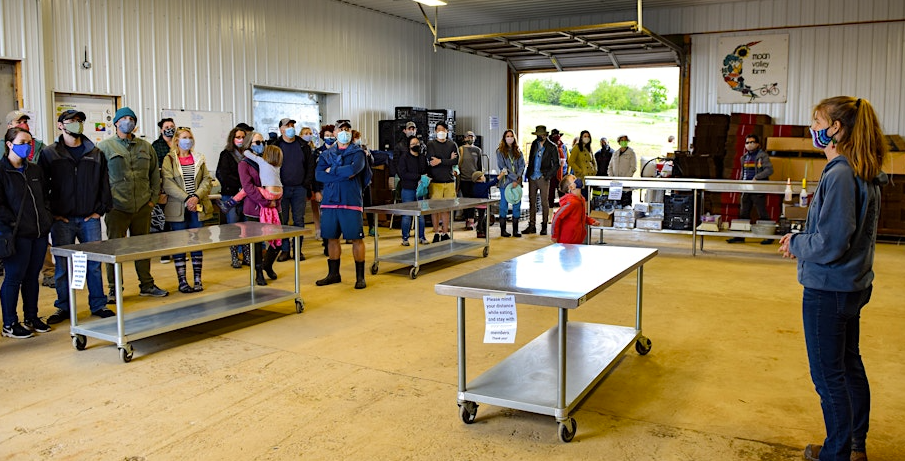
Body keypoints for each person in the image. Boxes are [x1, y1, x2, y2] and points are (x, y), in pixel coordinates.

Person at [779, 96, 886, 461]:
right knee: (848, 365)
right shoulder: (862, 169)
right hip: (851, 285)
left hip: (829, 289)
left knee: (829, 378)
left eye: (817, 121)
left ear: (835, 129)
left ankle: (837, 454)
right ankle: (855, 446)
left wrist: (796, 242)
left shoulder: (841, 173)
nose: (813, 129)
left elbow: (832, 241)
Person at [40, 110, 114, 324]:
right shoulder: (50, 153)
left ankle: (98, 304)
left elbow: (104, 185)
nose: (76, 124)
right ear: (61, 125)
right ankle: (64, 306)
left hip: (89, 219)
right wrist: (52, 213)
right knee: (63, 266)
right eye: (71, 121)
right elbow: (42, 186)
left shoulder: (95, 152)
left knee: (93, 263)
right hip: (61, 220)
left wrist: (99, 211)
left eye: (79, 121)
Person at [98, 107, 168, 301]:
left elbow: (155, 174)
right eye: (124, 118)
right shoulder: (105, 147)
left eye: (132, 119)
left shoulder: (146, 147)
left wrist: (152, 199)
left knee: (142, 248)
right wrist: (106, 203)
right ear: (116, 123)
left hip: (142, 207)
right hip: (116, 207)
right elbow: (98, 178)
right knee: (114, 249)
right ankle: (114, 288)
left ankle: (146, 284)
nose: (128, 121)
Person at [0, 127, 54, 338]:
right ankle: (10, 323)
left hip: (39, 233)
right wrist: (14, 224)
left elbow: (44, 197)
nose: (28, 146)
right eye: (22, 142)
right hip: (16, 235)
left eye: (29, 142)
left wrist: (46, 217)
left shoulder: (34, 170)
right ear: (10, 144)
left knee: (32, 277)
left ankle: (32, 316)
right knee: (14, 277)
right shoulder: (2, 172)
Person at [315, 119, 369, 289]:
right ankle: (333, 273)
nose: (344, 132)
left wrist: (333, 171)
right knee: (331, 237)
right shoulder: (326, 154)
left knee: (356, 239)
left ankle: (360, 277)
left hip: (350, 200)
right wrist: (342, 174)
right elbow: (319, 175)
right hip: (330, 201)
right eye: (341, 129)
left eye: (347, 129)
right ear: (335, 132)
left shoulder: (358, 153)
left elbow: (354, 170)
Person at [161, 127, 214, 293]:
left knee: (197, 243)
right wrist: (186, 198)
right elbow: (168, 183)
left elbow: (207, 180)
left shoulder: (199, 158)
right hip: (178, 208)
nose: (188, 140)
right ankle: (182, 281)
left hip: (197, 207)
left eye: (190, 137)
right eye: (184, 137)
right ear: (177, 140)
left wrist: (196, 197)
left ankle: (198, 278)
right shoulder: (169, 159)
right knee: (180, 244)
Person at [6, 110, 54, 287]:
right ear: (10, 126)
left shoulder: (40, 146)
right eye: (19, 121)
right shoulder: (5, 148)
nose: (24, 124)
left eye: (26, 121)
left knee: (39, 253)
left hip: (36, 209)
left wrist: (46, 216)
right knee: (15, 274)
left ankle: (49, 272)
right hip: (14, 215)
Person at [239, 132, 281, 286]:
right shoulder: (244, 164)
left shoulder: (269, 160)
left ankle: (267, 265)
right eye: (257, 142)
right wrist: (264, 202)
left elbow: (277, 180)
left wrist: (276, 200)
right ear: (249, 144)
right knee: (257, 243)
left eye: (262, 141)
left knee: (278, 240)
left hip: (274, 206)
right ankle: (258, 272)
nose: (261, 144)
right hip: (255, 208)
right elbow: (248, 187)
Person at [273, 118, 314, 262]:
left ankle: (297, 250)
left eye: (292, 125)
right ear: (281, 129)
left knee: (299, 220)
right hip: (281, 190)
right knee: (283, 221)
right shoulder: (275, 146)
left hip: (299, 189)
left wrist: (306, 184)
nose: (291, 128)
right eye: (287, 126)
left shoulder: (303, 145)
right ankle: (284, 250)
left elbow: (310, 167)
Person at [727, 134, 775, 244]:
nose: (749, 145)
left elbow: (769, 170)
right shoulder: (744, 157)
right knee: (743, 212)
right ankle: (739, 236)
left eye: (752, 142)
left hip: (757, 189)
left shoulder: (762, 156)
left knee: (761, 212)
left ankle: (769, 237)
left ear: (757, 144)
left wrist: (757, 177)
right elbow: (743, 173)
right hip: (746, 189)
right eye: (747, 143)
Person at [216, 127, 250, 268]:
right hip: (231, 194)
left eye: (243, 137)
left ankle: (247, 256)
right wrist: (241, 184)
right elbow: (223, 175)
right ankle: (235, 257)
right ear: (232, 138)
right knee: (233, 228)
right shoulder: (226, 154)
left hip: (247, 196)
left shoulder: (249, 155)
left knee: (247, 228)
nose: (240, 140)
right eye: (238, 137)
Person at [523, 125, 558, 236]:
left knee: (544, 202)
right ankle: (532, 225)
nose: (539, 136)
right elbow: (531, 159)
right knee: (532, 201)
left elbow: (556, 164)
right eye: (537, 135)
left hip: (543, 177)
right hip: (533, 176)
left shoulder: (552, 147)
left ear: (545, 135)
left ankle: (544, 226)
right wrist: (528, 174)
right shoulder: (534, 144)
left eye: (540, 134)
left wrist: (547, 176)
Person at [427, 121, 458, 242]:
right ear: (435, 131)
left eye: (443, 129)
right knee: (435, 209)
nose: (441, 132)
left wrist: (440, 161)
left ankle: (445, 232)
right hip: (435, 182)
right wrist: (447, 160)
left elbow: (455, 161)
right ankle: (436, 232)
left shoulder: (452, 144)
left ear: (447, 131)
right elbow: (431, 161)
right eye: (438, 129)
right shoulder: (431, 144)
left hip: (449, 181)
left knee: (447, 209)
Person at [150, 118, 176, 262]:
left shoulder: (179, 143)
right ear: (161, 129)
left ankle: (179, 250)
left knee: (177, 221)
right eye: (167, 127)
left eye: (172, 126)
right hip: (163, 187)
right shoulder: (156, 145)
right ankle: (165, 252)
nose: (170, 129)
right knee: (163, 221)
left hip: (179, 188)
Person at [396, 135, 429, 246]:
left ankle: (422, 237)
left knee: (421, 215)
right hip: (408, 189)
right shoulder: (404, 158)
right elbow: (403, 174)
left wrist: (424, 178)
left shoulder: (422, 158)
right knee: (407, 215)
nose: (416, 146)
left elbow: (426, 171)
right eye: (413, 144)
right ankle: (405, 238)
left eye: (417, 143)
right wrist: (418, 176)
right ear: (409, 146)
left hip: (421, 189)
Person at [551, 174, 599, 244]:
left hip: (577, 239)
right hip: (567, 240)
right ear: (571, 187)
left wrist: (590, 221)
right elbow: (557, 217)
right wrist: (554, 235)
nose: (577, 179)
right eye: (574, 179)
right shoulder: (571, 202)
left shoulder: (581, 199)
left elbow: (580, 215)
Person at [495, 129, 525, 238]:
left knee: (517, 204)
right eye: (507, 136)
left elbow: (522, 165)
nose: (509, 138)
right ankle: (503, 230)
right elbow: (503, 167)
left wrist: (518, 178)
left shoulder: (518, 151)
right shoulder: (500, 151)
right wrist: (514, 179)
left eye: (511, 136)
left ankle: (515, 230)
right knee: (504, 205)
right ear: (504, 138)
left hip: (517, 183)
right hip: (505, 183)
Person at [458, 130, 482, 230]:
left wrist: (480, 176)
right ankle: (467, 218)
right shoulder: (460, 149)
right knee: (465, 199)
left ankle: (471, 220)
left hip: (474, 179)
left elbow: (479, 165)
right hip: (463, 179)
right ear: (464, 138)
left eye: (472, 136)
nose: (470, 138)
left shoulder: (477, 150)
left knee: (473, 200)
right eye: (468, 136)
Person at [468, 170, 502, 239]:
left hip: (477, 204)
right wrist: (501, 175)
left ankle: (481, 230)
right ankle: (480, 231)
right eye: (483, 176)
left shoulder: (474, 186)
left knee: (481, 217)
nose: (484, 177)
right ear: (479, 178)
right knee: (481, 218)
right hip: (483, 205)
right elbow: (493, 182)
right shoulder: (484, 185)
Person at [608, 134, 637, 208]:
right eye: (622, 140)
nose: (623, 142)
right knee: (616, 206)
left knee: (626, 206)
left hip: (626, 185)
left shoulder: (631, 153)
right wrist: (612, 178)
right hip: (615, 185)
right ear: (619, 142)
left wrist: (625, 179)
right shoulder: (615, 153)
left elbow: (633, 167)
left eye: (625, 140)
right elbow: (610, 167)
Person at [567, 130, 597, 199]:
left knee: (589, 196)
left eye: (588, 136)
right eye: (585, 136)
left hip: (590, 176)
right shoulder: (576, 148)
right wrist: (579, 170)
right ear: (581, 138)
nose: (587, 138)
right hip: (581, 177)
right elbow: (571, 161)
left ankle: (587, 209)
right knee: (583, 196)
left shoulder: (589, 148)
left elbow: (593, 161)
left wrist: (595, 170)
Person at [548, 128, 568, 208]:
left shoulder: (563, 147)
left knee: (562, 193)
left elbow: (566, 160)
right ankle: (550, 214)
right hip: (552, 174)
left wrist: (565, 171)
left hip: (561, 173)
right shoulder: (549, 147)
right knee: (551, 195)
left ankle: (564, 210)